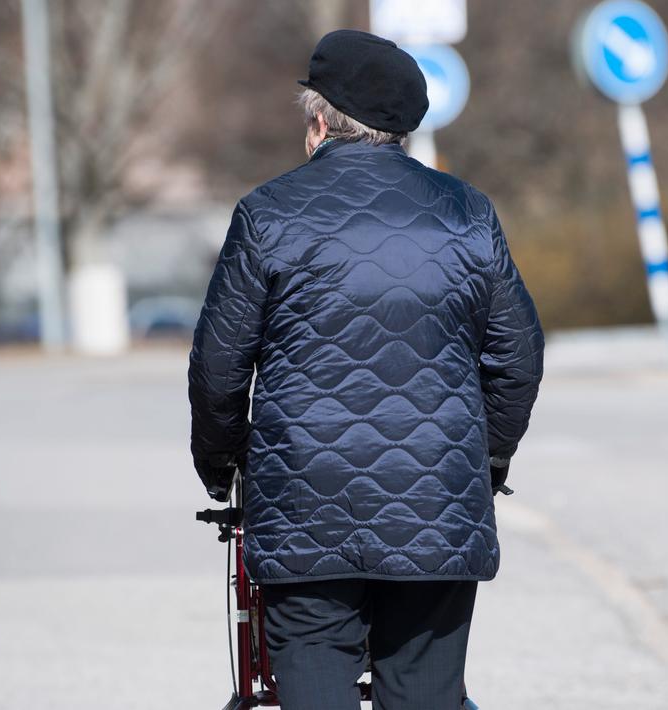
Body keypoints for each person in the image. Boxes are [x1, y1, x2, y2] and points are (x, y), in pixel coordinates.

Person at [188, 29, 544, 710]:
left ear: (319, 122)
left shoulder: (267, 215)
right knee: (425, 690)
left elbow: (218, 367)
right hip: (436, 498)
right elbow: (518, 357)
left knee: (313, 677)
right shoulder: (467, 214)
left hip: (304, 498)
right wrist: (485, 458)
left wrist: (222, 464)